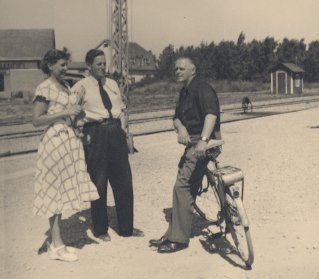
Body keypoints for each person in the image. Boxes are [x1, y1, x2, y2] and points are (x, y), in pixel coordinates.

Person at [33, 48, 99, 262]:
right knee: (53, 192)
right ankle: (56, 245)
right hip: (53, 144)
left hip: (68, 141)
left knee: (61, 192)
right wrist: (64, 113)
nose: (65, 68)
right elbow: (36, 120)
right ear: (50, 66)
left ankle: (57, 243)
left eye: (66, 64)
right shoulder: (44, 88)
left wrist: (77, 119)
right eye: (62, 65)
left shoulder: (65, 86)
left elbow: (70, 114)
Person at [149, 57, 221, 253]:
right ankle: (173, 231)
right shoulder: (184, 92)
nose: (177, 71)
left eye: (182, 68)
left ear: (193, 70)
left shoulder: (202, 88)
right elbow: (176, 118)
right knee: (184, 180)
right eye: (175, 69)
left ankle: (179, 239)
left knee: (182, 186)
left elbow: (211, 115)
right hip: (193, 142)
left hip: (205, 142)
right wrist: (180, 128)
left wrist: (203, 142)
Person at [72, 49, 137, 241]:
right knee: (98, 182)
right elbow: (72, 114)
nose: (103, 67)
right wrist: (81, 134)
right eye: (99, 64)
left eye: (104, 63)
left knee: (124, 181)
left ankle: (127, 228)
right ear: (89, 66)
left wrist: (126, 134)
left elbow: (122, 110)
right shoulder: (80, 86)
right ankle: (101, 229)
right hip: (95, 133)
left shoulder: (113, 84)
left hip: (116, 131)